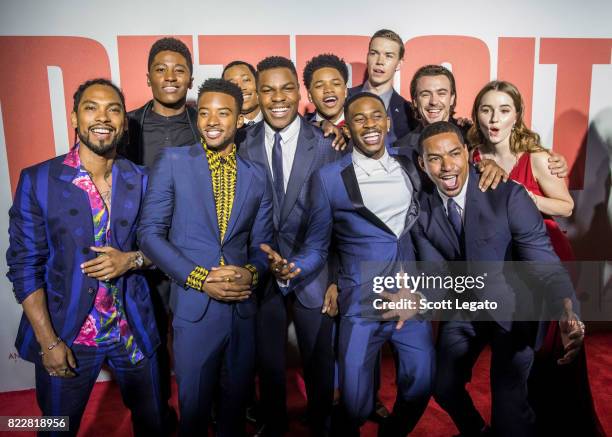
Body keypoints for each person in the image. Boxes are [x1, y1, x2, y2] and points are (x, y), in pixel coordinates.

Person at [263, 92, 435, 436]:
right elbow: (317, 243)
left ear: (387, 122)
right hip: (360, 302)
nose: (369, 125)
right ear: (349, 127)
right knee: (355, 404)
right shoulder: (329, 178)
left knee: (421, 384)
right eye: (359, 119)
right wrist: (293, 267)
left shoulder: (411, 163)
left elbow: (454, 167)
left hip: (409, 298)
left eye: (376, 116)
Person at [6, 78, 164, 436]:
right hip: (68, 335)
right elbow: (24, 267)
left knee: (153, 422)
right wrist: (49, 342)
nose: (103, 117)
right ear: (75, 117)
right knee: (56, 428)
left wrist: (132, 260)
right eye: (91, 107)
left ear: (125, 122)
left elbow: (162, 248)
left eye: (114, 109)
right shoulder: (39, 180)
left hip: (133, 331)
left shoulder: (142, 179)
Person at [411, 120, 585, 437]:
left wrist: (566, 309)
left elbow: (542, 258)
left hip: (516, 308)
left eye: (454, 153)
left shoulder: (507, 195)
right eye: (434, 158)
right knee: (443, 386)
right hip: (466, 308)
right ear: (422, 164)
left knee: (510, 417)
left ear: (468, 154)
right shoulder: (423, 211)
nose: (446, 166)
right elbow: (434, 274)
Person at [137, 78, 273, 437]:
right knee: (194, 412)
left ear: (239, 120)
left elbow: (262, 244)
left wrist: (252, 274)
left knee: (234, 409)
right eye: (206, 112)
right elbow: (149, 234)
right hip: (194, 309)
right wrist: (200, 278)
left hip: (242, 311)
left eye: (223, 112)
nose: (212, 121)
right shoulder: (173, 162)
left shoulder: (257, 176)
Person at [468, 81, 605, 436]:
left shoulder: (538, 158)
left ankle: (560, 426)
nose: (494, 118)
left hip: (547, 254)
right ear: (476, 115)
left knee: (548, 346)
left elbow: (566, 206)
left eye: (503, 110)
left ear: (518, 115)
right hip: (506, 262)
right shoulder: (471, 156)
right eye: (486, 110)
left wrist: (522, 195)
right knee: (519, 350)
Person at [238, 56, 341, 437]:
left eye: (286, 88)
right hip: (262, 271)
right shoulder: (242, 143)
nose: (277, 98)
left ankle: (321, 423)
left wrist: (339, 279)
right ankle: (274, 424)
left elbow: (345, 218)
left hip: (316, 271)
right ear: (257, 95)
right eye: (267, 89)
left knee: (319, 359)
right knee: (267, 362)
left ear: (300, 92)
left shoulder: (329, 144)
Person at [120, 37, 199, 426]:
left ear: (191, 78)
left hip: (192, 252)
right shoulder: (128, 126)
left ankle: (202, 413)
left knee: (195, 343)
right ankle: (158, 415)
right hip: (140, 254)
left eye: (179, 69)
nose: (170, 77)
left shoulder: (205, 121)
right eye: (161, 69)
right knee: (151, 343)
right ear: (148, 76)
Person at [395, 64, 570, 189]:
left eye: (442, 93)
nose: (434, 101)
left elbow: (516, 152)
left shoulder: (473, 134)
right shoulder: (401, 149)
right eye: (425, 94)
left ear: (452, 98)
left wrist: (553, 160)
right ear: (415, 101)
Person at [348, 29, 419, 144]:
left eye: (388, 56)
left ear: (399, 64)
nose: (380, 61)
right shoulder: (344, 98)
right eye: (374, 53)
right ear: (367, 57)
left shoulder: (408, 112)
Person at [303, 53, 349, 127]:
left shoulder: (362, 126)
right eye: (319, 86)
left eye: (336, 83)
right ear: (310, 95)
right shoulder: (301, 129)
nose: (328, 90)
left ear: (345, 91)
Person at [222, 60, 262, 126]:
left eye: (246, 80)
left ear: (258, 83)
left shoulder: (277, 119)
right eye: (232, 83)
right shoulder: (224, 128)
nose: (240, 87)